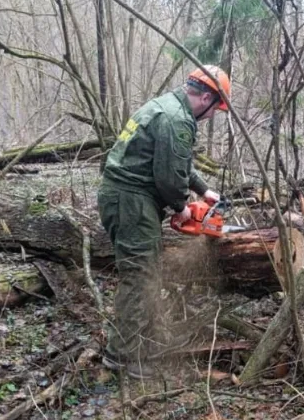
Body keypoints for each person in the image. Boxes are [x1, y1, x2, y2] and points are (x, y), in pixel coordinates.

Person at [97, 65, 230, 380]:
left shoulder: (165, 106)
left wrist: (203, 190)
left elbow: (177, 160)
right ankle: (121, 357)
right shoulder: (176, 119)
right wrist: (181, 206)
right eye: (215, 108)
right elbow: (169, 177)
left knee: (145, 272)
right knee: (139, 277)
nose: (213, 115)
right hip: (131, 201)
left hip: (126, 197)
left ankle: (140, 341)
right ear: (207, 97)